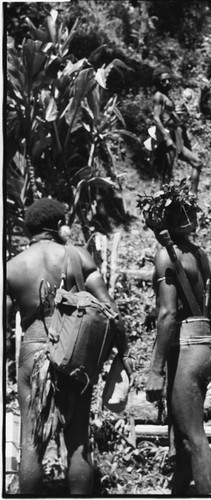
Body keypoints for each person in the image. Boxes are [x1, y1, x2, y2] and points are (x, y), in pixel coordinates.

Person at [6, 198, 132, 495]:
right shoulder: (77, 255)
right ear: (59, 227)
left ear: (29, 229)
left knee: (31, 444)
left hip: (33, 353)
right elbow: (110, 310)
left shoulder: (11, 268)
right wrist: (122, 353)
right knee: (78, 443)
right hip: (73, 355)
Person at [140, 183, 211, 495]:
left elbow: (168, 315)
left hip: (186, 351)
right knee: (184, 438)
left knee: (195, 438)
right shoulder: (197, 253)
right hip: (202, 347)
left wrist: (155, 371)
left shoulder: (166, 257)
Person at [151, 67, 203, 193]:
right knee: (167, 175)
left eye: (169, 80)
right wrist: (167, 139)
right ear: (158, 82)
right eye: (164, 81)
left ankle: (192, 195)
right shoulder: (158, 96)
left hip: (176, 137)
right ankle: (162, 204)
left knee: (197, 163)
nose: (167, 83)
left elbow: (170, 116)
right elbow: (156, 118)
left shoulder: (166, 97)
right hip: (167, 138)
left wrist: (178, 115)